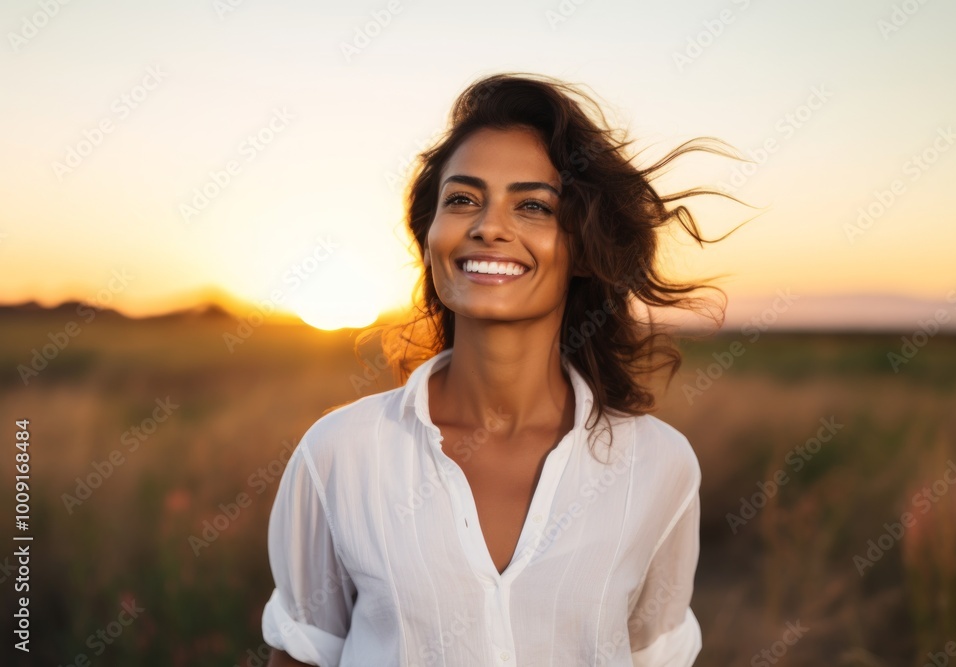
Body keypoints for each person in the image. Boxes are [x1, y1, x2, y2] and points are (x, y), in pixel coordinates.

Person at [262, 72, 746, 666]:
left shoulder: (659, 467)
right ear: (430, 234)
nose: (489, 226)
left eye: (533, 206)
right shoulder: (339, 454)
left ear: (584, 246)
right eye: (462, 199)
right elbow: (302, 653)